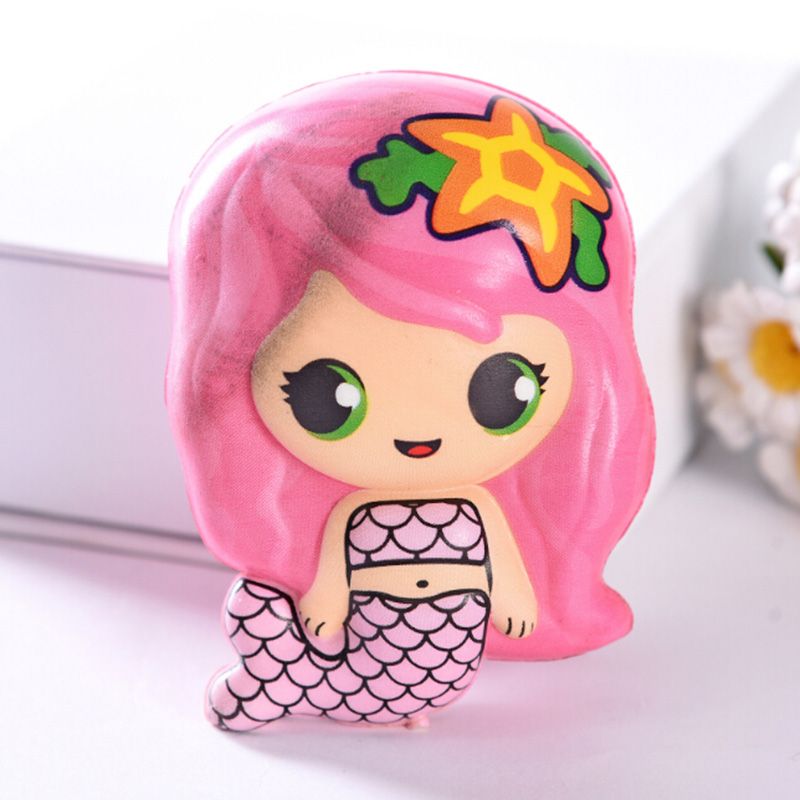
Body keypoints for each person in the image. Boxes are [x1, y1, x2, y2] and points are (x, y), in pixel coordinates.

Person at [166, 72, 654, 730]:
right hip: (377, 644)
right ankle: (300, 684)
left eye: (502, 394)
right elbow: (336, 567)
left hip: (437, 654)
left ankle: (323, 688)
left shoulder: (478, 505)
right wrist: (326, 601)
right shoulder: (354, 512)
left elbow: (500, 559)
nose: (418, 434)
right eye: (329, 399)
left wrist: (515, 599)